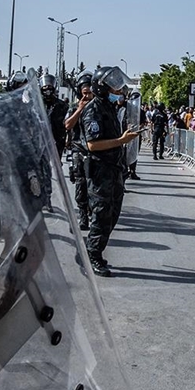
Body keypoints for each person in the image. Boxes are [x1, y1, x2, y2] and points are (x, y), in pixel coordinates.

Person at [81, 66, 139, 277]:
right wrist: (121, 140)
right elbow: (92, 145)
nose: (119, 92)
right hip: (100, 171)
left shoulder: (110, 108)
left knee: (112, 214)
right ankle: (93, 254)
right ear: (102, 88)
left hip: (114, 169)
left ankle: (96, 249)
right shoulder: (93, 110)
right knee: (101, 215)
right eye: (114, 89)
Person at [65, 72, 93, 230]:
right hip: (79, 150)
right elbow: (67, 125)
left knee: (93, 184)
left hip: (95, 151)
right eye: (84, 93)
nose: (87, 96)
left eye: (90, 93)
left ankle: (92, 212)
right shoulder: (74, 108)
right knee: (81, 183)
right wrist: (80, 109)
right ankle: (83, 215)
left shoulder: (98, 108)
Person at [39, 74, 69, 158]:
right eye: (45, 86)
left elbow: (68, 123)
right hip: (40, 141)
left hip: (57, 140)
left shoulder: (62, 105)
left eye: (49, 85)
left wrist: (68, 138)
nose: (47, 88)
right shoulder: (37, 104)